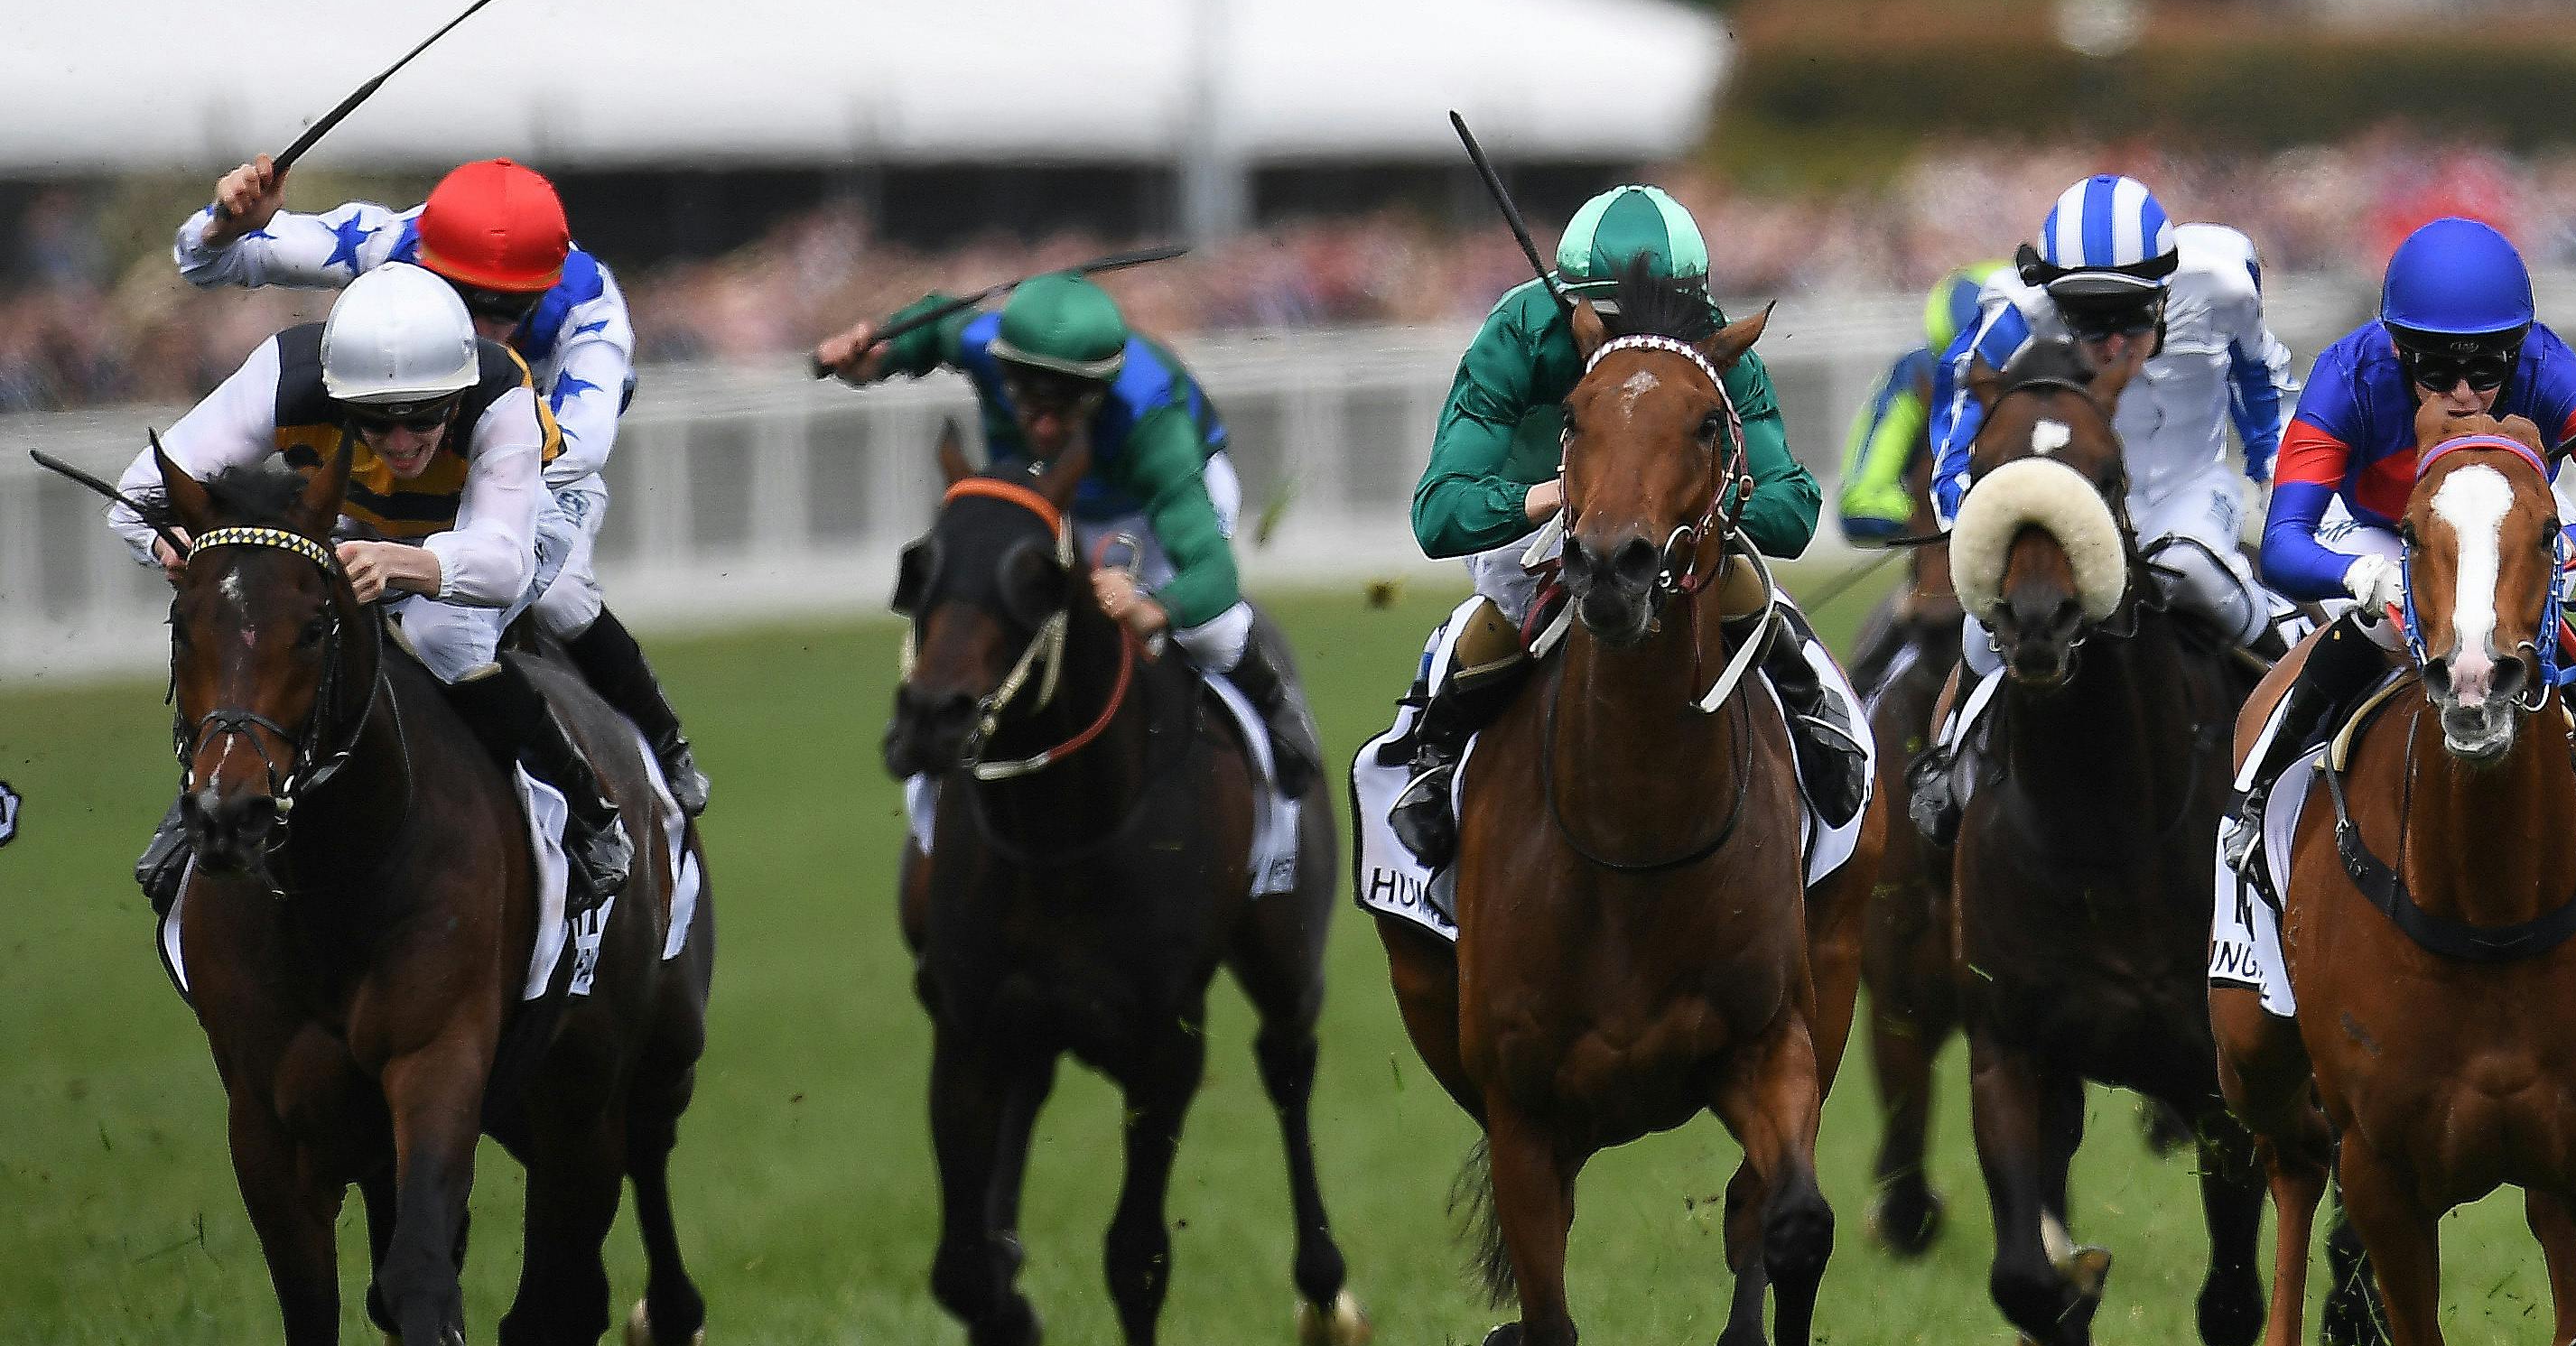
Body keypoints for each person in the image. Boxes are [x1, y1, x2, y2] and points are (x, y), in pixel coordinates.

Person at [1348, 184, 1867, 875]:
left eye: (1662, 322)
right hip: (1539, 515)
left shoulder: (1712, 342)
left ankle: (1809, 711)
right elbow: (1441, 510)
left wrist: (1712, 507)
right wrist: (1554, 497)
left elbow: (1794, 506)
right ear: (1573, 305)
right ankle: (1435, 751)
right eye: (1614, 324)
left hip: (1673, 526)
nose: (1640, 347)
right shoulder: (1522, 330)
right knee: (1511, 583)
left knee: (1736, 574)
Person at [176, 153, 711, 815]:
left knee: (548, 597)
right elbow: (202, 263)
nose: (484, 332)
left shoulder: (591, 308)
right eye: (465, 303)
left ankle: (653, 746)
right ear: (426, 265)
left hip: (528, 472)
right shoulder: (389, 242)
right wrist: (226, 223)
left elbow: (581, 445)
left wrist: (470, 484)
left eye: (511, 309)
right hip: (396, 458)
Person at [116, 265, 637, 913]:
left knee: (438, 631)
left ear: (458, 393)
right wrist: (170, 544)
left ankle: (588, 809)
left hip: (500, 523)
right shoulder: (284, 376)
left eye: (423, 419)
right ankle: (212, 791)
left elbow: (502, 562)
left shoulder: (499, 391)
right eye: (375, 421)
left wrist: (404, 564)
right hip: (360, 525)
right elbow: (137, 493)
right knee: (267, 620)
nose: (400, 442)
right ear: (340, 397)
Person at [2227, 215, 2576, 858]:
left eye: (2489, 367)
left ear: (2519, 347)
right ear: (2396, 348)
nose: (2467, 393)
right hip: (2379, 531)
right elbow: (2282, 542)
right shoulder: (2346, 374)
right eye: (2438, 370)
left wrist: (2554, 551)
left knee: (2516, 600)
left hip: (2508, 524)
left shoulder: (2547, 363)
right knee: (2388, 620)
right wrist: (2365, 578)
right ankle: (2255, 792)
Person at [811, 271, 1321, 801]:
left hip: (1155, 502)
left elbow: (1214, 575)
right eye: (1028, 397)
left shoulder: (1153, 421)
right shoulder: (986, 344)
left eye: (1069, 403)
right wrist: (878, 351)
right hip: (1061, 494)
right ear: (1003, 365)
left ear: (1102, 387)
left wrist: (1152, 609)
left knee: (1209, 629)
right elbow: (936, 321)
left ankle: (1275, 715)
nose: (1047, 425)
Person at [1903, 175, 2292, 847]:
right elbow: (1958, 390)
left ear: (2166, 289)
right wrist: (1959, 508)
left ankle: (2298, 712)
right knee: (1986, 619)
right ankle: (1949, 760)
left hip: (2191, 489)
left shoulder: (2227, 282)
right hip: (2076, 498)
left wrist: (2277, 479)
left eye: (2132, 317)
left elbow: (2263, 380)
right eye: (2088, 320)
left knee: (2188, 567)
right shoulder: (2015, 306)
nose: (2114, 345)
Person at [1831, 263, 2010, 679]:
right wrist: (1927, 513)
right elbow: (1861, 499)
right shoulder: (1913, 378)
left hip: (2030, 584)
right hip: (1934, 588)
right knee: (1852, 687)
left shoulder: (2053, 377)